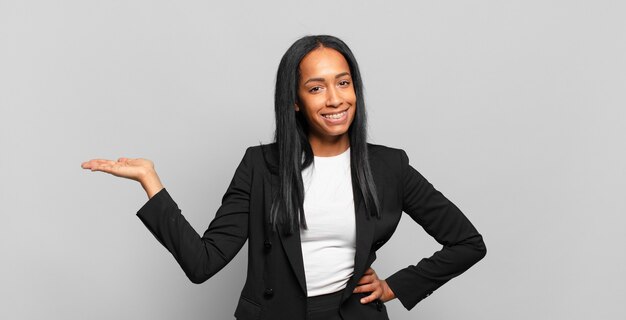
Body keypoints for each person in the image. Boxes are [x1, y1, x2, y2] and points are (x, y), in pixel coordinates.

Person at [81, 35, 486, 320]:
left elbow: (467, 243)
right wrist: (150, 180)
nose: (334, 99)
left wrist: (395, 286)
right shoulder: (260, 166)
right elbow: (202, 263)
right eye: (316, 87)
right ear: (294, 100)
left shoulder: (388, 166)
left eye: (343, 83)